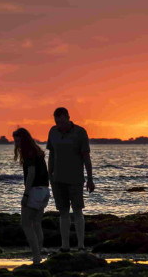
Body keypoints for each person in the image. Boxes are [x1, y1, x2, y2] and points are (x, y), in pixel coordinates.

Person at [47, 107, 95, 252]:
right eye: (57, 122)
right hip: (57, 179)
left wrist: (90, 178)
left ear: (68, 118)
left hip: (75, 179)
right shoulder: (53, 131)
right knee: (63, 212)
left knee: (78, 210)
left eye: (62, 121)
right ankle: (65, 246)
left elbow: (86, 156)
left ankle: (81, 245)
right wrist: (49, 175)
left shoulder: (80, 132)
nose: (59, 125)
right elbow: (51, 154)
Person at [13, 127, 50, 265]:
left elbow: (31, 174)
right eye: (15, 140)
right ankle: (38, 255)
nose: (16, 143)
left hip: (35, 191)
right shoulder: (36, 151)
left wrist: (26, 194)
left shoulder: (28, 152)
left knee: (26, 224)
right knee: (37, 224)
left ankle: (36, 257)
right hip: (45, 190)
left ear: (24, 140)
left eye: (17, 140)